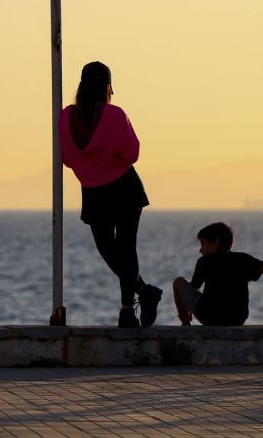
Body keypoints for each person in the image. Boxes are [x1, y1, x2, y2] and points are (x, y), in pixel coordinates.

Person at [59, 61, 163, 328]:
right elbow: (132, 154)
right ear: (107, 87)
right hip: (121, 186)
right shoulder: (114, 115)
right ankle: (142, 294)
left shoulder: (65, 118)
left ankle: (128, 310)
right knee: (123, 249)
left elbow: (68, 159)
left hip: (95, 190)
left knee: (110, 249)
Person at [173, 222, 263, 326]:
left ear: (216, 243)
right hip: (237, 318)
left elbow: (193, 287)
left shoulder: (204, 262)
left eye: (203, 244)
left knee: (178, 282)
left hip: (209, 316)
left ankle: (185, 322)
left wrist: (187, 310)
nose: (200, 250)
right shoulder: (242, 259)